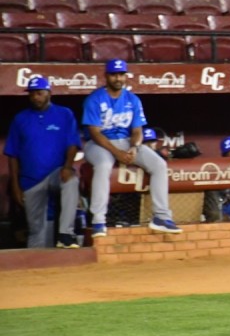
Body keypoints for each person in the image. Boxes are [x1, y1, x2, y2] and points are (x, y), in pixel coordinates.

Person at [82, 59, 182, 238]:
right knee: (103, 165)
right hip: (98, 144)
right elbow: (95, 133)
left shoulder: (132, 99)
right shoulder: (94, 99)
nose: (118, 78)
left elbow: (137, 131)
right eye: (114, 75)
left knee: (159, 165)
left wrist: (134, 147)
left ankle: (161, 217)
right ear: (106, 76)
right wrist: (117, 152)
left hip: (127, 141)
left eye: (121, 74)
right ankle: (98, 220)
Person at [4, 77, 82, 249]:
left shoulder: (64, 114)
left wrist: (68, 167)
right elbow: (12, 155)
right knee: (37, 232)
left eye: (39, 93)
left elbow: (72, 144)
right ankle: (37, 264)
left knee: (71, 180)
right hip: (30, 181)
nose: (35, 97)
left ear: (49, 93)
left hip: (56, 174)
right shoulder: (20, 119)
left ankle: (66, 234)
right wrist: (16, 186)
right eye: (32, 94)